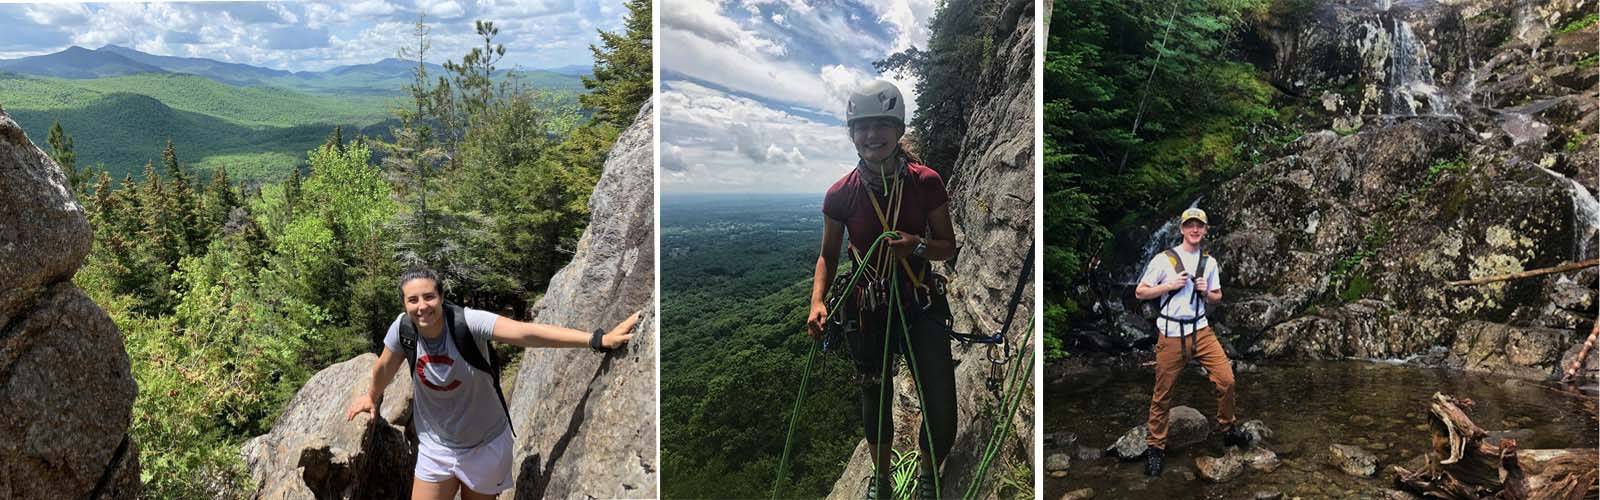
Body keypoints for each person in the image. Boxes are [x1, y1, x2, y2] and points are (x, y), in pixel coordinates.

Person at [344, 268, 641, 499]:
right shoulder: (403, 329)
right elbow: (385, 366)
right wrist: (371, 396)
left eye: (428, 297)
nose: (422, 306)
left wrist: (596, 339)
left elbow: (526, 334)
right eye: (413, 299)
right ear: (404, 304)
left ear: (441, 297)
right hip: (436, 448)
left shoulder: (467, 322)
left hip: (485, 446)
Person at [805, 80, 958, 500]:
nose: (872, 135)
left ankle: (928, 476)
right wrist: (817, 301)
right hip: (867, 307)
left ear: (898, 129)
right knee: (874, 397)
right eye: (863, 127)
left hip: (919, 300)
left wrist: (917, 245)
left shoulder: (926, 182)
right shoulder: (840, 194)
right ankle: (883, 479)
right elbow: (828, 256)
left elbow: (948, 247)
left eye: (881, 125)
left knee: (940, 398)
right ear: (852, 134)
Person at [1132, 207, 1249, 476]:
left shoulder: (1209, 263)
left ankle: (1227, 428)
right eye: (1190, 225)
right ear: (1182, 229)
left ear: (1205, 230)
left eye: (1200, 226)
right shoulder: (1164, 260)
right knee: (1163, 394)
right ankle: (1156, 448)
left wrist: (1207, 292)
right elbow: (1140, 292)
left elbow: (1217, 296)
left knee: (1226, 379)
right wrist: (1168, 286)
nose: (1194, 230)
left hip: (1202, 331)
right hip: (1171, 333)